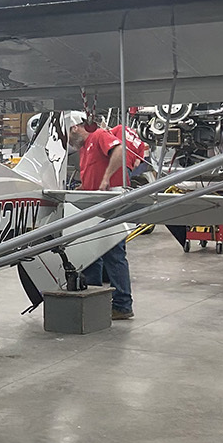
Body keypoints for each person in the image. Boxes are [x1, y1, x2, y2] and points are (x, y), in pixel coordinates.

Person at [65, 113, 146, 320]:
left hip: (109, 204)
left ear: (75, 128)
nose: (69, 141)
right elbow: (94, 172)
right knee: (92, 252)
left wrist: (106, 179)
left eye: (68, 135)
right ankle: (93, 300)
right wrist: (84, 187)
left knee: (113, 252)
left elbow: (119, 150)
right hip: (96, 206)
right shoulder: (85, 148)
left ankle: (122, 304)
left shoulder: (99, 135)